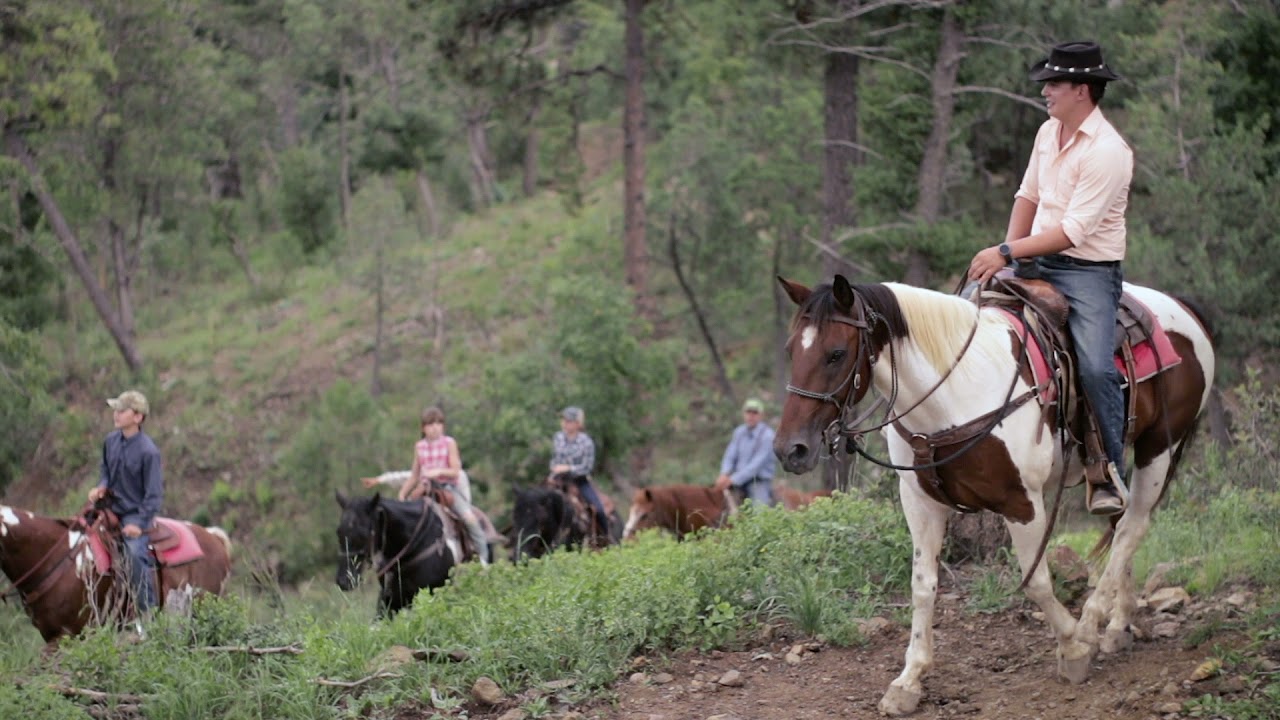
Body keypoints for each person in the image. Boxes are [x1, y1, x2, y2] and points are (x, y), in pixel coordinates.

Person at [966, 40, 1132, 516]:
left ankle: (1107, 470)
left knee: (1097, 368)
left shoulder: (1108, 151)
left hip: (1087, 272)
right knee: (965, 312)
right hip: (1034, 257)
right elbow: (1028, 195)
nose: (1045, 91)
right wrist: (1004, 258)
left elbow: (1073, 232)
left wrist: (1005, 252)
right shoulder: (1048, 131)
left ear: (1082, 90)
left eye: (1053, 83)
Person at [87, 390, 162, 617]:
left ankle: (147, 618)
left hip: (133, 514)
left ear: (138, 417)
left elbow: (154, 495)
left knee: (134, 554)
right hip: (108, 508)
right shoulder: (110, 441)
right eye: (115, 410)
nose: (116, 414)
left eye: (122, 410)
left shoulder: (149, 452)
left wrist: (138, 524)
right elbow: (106, 471)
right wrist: (101, 486)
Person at [398, 407, 488, 565]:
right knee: (407, 520)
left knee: (470, 519)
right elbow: (414, 475)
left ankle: (483, 560)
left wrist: (437, 471)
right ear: (423, 428)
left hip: (447, 488)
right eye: (430, 424)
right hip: (425, 490)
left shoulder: (449, 443)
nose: (435, 427)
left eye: (439, 423)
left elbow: (455, 471)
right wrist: (402, 493)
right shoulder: (419, 446)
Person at [549, 406, 609, 540]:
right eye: (563, 420)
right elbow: (554, 459)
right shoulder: (558, 437)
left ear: (577, 424)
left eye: (568, 421)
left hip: (579, 481)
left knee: (598, 509)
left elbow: (587, 467)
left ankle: (605, 537)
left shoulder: (586, 442)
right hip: (558, 480)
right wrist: (555, 468)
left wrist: (569, 468)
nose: (564, 423)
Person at [713, 398, 776, 507]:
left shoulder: (768, 436)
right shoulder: (739, 432)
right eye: (748, 412)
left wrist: (732, 480)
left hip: (758, 481)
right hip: (736, 480)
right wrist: (724, 473)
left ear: (761, 415)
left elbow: (756, 466)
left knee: (759, 511)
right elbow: (729, 455)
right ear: (744, 414)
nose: (751, 416)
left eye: (755, 413)